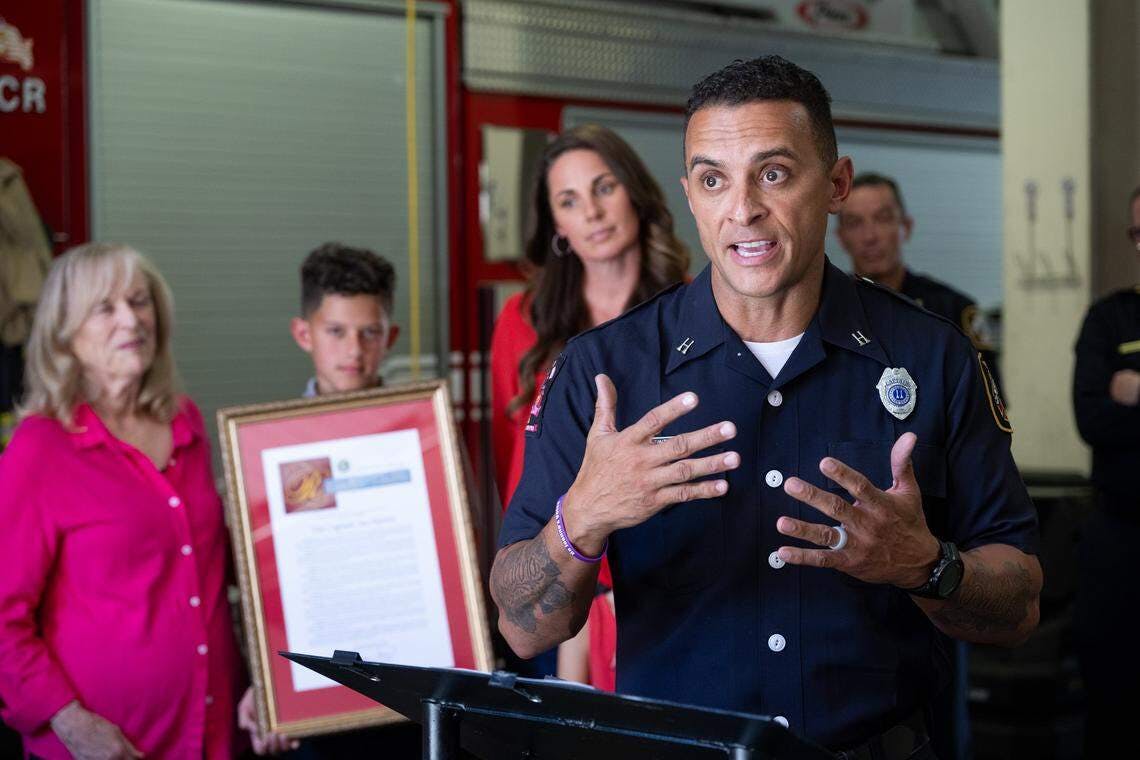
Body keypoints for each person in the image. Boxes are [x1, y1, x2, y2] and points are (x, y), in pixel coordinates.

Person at [490, 56, 1042, 758]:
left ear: (835, 184)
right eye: (713, 180)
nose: (742, 208)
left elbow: (1019, 609)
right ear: (690, 195)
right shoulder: (604, 373)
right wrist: (583, 519)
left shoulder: (934, 358)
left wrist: (927, 566)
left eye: (773, 174)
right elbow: (522, 630)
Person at [0, 242, 246, 758]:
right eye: (105, 308)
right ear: (64, 334)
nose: (131, 320)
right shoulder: (40, 448)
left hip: (212, 731)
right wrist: (71, 723)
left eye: (139, 301)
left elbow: (210, 560)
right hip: (103, 745)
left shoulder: (185, 420)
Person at [489, 123, 690, 683]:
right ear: (556, 224)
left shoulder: (695, 308)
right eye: (569, 200)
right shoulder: (521, 321)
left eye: (604, 188)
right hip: (554, 583)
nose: (593, 213)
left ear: (635, 192)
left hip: (663, 587)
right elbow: (514, 467)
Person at [238, 242, 421, 757]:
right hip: (315, 693)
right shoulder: (274, 447)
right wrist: (269, 679)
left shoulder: (422, 438)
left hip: (409, 685)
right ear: (304, 334)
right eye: (336, 332)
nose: (353, 350)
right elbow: (267, 579)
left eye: (369, 333)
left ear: (390, 337)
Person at [1071, 185, 1140, 758]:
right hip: (1121, 536)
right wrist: (1115, 405)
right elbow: (1092, 419)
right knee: (1112, 696)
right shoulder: (1109, 318)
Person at [835, 172, 1003, 396]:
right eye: (855, 223)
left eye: (883, 219)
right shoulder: (829, 311)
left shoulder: (952, 311)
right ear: (841, 238)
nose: (870, 237)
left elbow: (990, 399)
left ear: (906, 227)